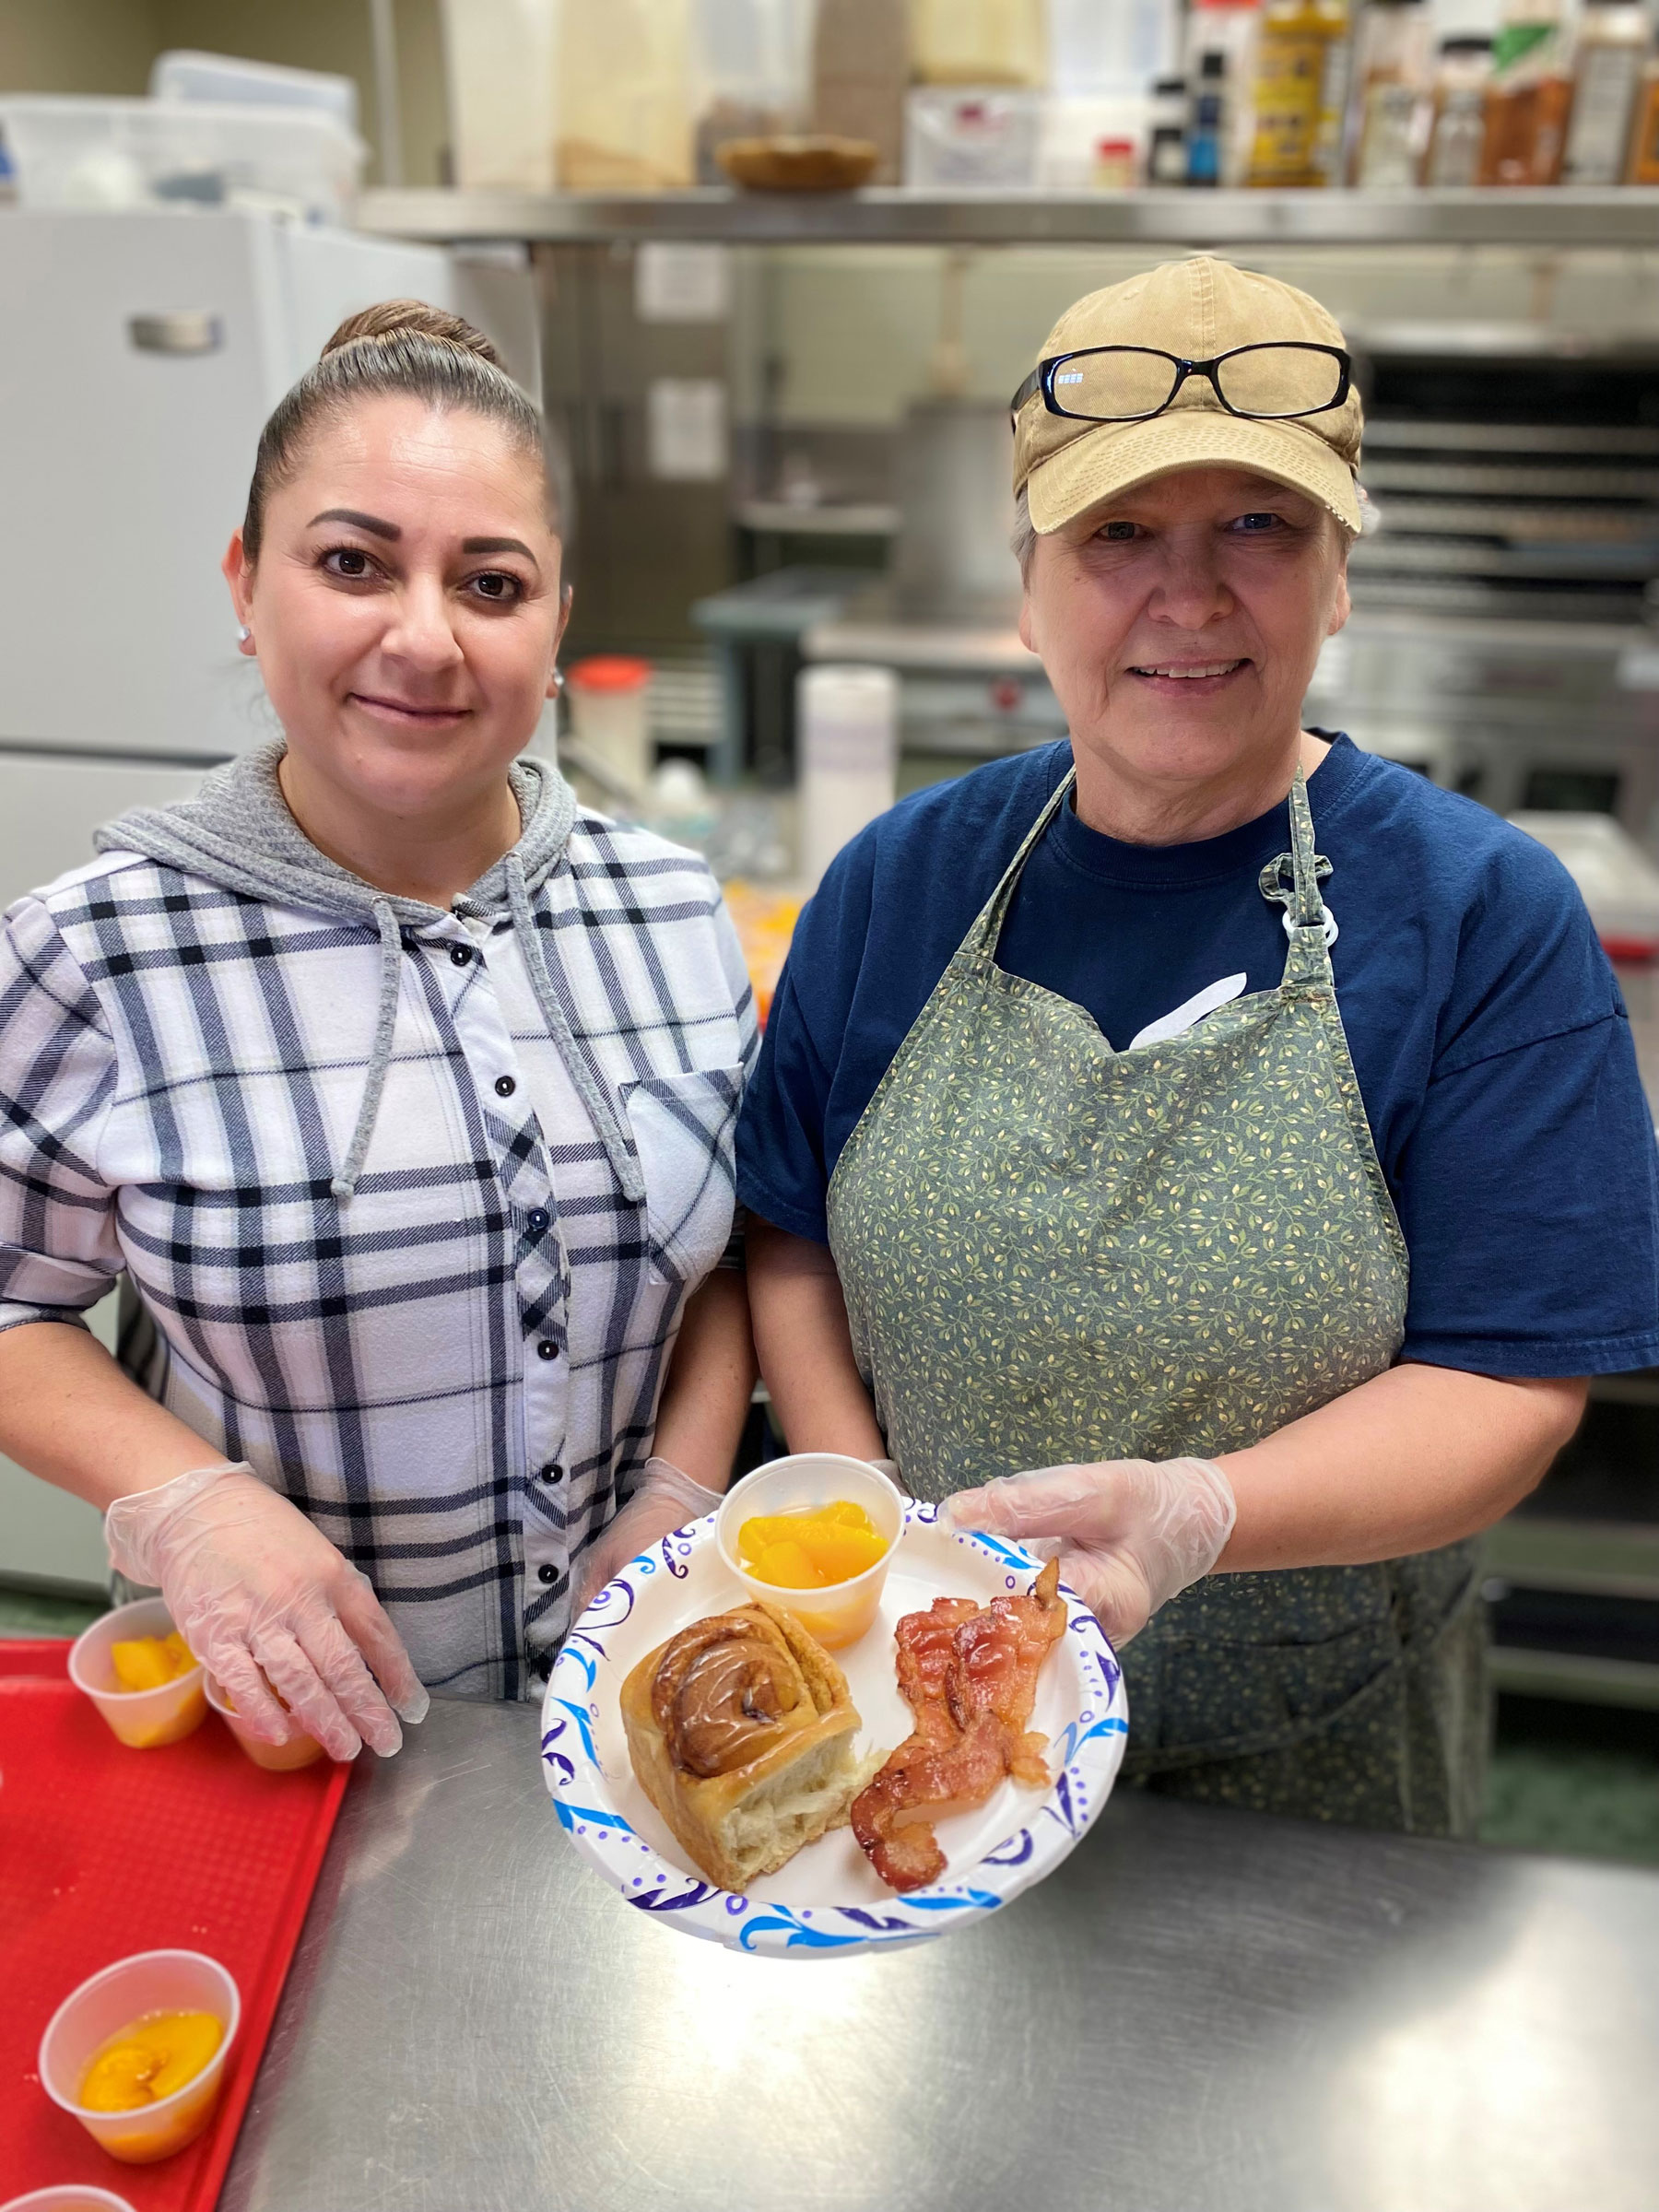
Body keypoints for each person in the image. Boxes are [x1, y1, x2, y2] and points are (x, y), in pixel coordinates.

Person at [736, 256, 1659, 1834]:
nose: (1192, 594)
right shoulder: (903, 880)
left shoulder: (1482, 914)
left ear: (1341, 572)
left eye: (1260, 525)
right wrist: (876, 1529)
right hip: (932, 1725)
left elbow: (1514, 1381)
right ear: (1028, 580)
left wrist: (1199, 1515)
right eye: (1119, 533)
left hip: (1310, 1766)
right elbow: (789, 1235)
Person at [0, 302, 756, 1762]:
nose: (423, 637)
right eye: (353, 563)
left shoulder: (669, 907)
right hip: (281, 1727)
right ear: (246, 582)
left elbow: (723, 1256)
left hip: (631, 1723)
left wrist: (682, 1489)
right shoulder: (97, 948)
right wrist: (193, 1503)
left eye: (490, 581)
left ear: (555, 621)